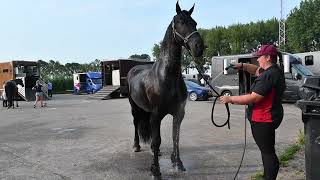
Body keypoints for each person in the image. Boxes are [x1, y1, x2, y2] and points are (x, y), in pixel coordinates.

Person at [220, 44, 286, 180]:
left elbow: (254, 97)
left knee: (268, 154)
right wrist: (242, 66)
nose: (257, 60)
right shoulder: (273, 71)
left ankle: (269, 177)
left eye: (259, 57)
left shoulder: (269, 75)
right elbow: (256, 70)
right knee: (266, 151)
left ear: (267, 57)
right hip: (267, 118)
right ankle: (267, 176)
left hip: (263, 120)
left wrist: (230, 98)